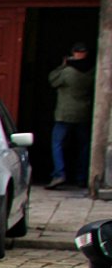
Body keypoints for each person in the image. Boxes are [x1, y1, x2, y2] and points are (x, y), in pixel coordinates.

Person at [48, 42, 94, 189]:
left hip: (65, 113)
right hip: (84, 112)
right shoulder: (93, 70)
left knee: (57, 143)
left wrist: (63, 65)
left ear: (74, 53)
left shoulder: (67, 71)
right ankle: (82, 177)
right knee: (84, 146)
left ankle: (59, 174)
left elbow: (52, 80)